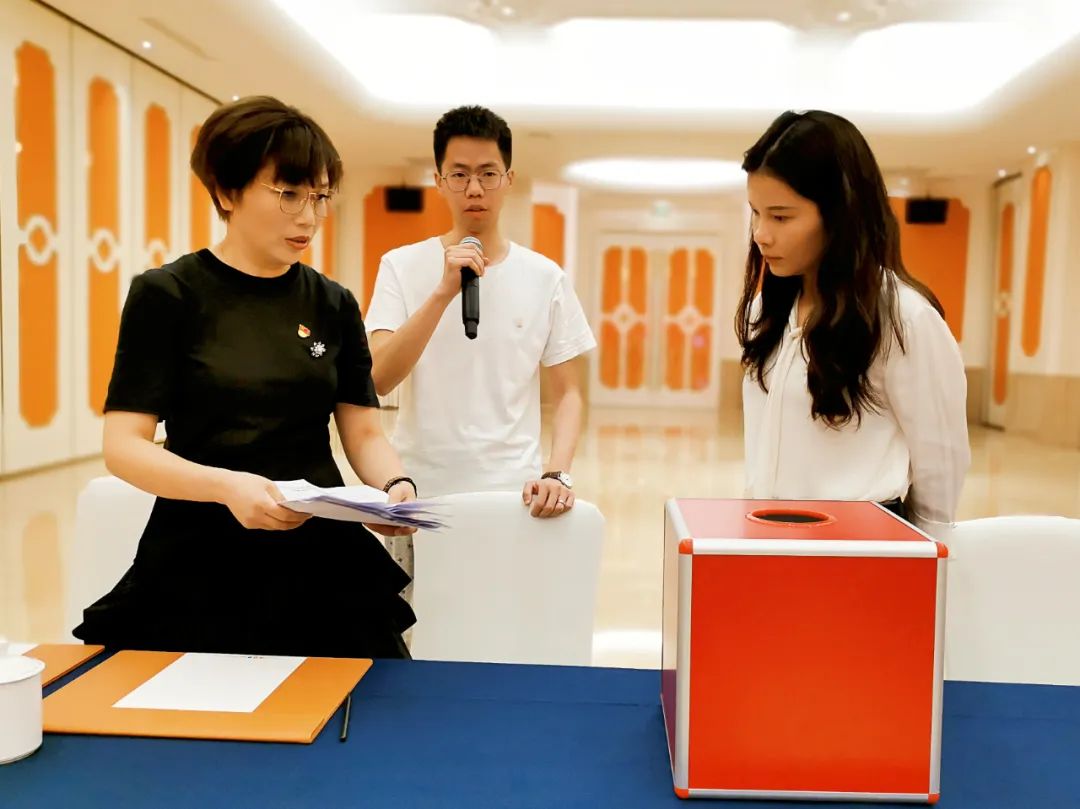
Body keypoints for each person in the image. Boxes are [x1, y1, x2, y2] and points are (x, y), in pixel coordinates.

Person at [74, 96, 416, 658]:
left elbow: (363, 432)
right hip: (200, 555)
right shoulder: (169, 295)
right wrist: (227, 487)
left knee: (364, 704)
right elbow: (123, 447)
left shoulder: (332, 303)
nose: (309, 217)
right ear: (227, 192)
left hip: (319, 555)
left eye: (319, 196)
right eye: (289, 193)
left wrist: (394, 487)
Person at [365, 105, 596, 588]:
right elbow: (378, 379)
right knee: (417, 623)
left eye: (488, 173)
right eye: (460, 174)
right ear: (439, 181)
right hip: (418, 494)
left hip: (512, 495)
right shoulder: (400, 267)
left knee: (501, 621)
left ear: (509, 179)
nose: (474, 188)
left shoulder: (545, 277)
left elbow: (570, 393)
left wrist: (557, 473)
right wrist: (442, 291)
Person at [737, 109, 970, 533]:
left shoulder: (904, 319)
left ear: (839, 216)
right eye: (756, 212)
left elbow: (940, 466)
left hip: (862, 547)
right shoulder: (765, 313)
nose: (761, 234)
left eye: (781, 216)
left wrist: (925, 556)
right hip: (769, 539)